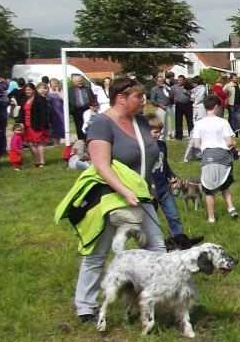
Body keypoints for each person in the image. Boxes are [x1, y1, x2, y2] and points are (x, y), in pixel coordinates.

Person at [70, 78, 168, 323]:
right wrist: (124, 192)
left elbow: (148, 158)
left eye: (144, 96)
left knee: (157, 248)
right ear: (120, 98)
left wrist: (151, 187)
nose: (143, 101)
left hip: (142, 197)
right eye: (138, 96)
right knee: (98, 253)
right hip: (110, 198)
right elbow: (101, 165)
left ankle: (155, 298)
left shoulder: (142, 122)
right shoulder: (102, 124)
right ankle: (85, 306)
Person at [190, 97, 239, 224]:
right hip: (223, 155)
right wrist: (234, 142)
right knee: (225, 184)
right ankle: (231, 208)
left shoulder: (199, 123)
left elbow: (196, 144)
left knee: (209, 189)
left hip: (208, 155)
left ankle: (211, 218)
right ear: (216, 106)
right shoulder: (223, 122)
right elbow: (229, 143)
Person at [146, 113, 185, 241]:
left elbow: (165, 163)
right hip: (149, 192)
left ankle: (177, 242)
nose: (158, 134)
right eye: (155, 132)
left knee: (174, 216)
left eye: (160, 132)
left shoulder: (162, 145)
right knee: (150, 223)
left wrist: (172, 175)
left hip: (164, 189)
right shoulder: (142, 148)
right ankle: (153, 245)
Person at [20, 81, 52, 167]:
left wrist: (43, 124)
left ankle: (42, 161)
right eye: (26, 90)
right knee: (29, 143)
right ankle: (36, 160)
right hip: (27, 125)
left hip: (37, 124)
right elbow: (21, 112)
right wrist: (21, 123)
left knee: (39, 143)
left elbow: (44, 113)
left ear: (34, 90)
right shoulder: (24, 100)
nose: (28, 91)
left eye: (29, 90)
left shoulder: (41, 99)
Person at [68, 73, 94, 141]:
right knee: (79, 127)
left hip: (87, 110)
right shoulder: (70, 90)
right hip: (76, 111)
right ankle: (81, 140)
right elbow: (68, 102)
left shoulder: (87, 89)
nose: (80, 82)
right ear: (73, 81)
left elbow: (92, 99)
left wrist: (92, 108)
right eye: (78, 81)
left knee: (88, 125)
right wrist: (69, 112)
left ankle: (89, 139)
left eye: (81, 80)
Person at [149, 74, 172, 138]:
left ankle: (166, 137)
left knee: (167, 124)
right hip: (160, 108)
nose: (161, 82)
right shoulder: (154, 89)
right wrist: (160, 105)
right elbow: (152, 100)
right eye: (160, 81)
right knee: (162, 124)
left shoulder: (165, 87)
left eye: (162, 81)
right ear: (156, 82)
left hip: (167, 107)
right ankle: (160, 137)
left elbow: (170, 95)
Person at [171, 74, 193, 140]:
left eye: (181, 80)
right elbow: (170, 95)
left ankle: (191, 136)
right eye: (178, 80)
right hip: (179, 105)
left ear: (184, 80)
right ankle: (178, 137)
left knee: (190, 121)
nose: (179, 81)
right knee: (178, 121)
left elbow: (194, 94)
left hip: (188, 105)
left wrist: (188, 92)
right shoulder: (174, 87)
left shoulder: (189, 86)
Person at [47, 78, 66, 145]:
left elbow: (64, 99)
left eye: (57, 83)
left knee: (60, 128)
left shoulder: (61, 91)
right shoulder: (47, 92)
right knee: (53, 129)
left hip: (60, 112)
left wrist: (57, 92)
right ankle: (55, 143)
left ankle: (58, 142)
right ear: (50, 84)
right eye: (54, 83)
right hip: (52, 113)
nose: (55, 85)